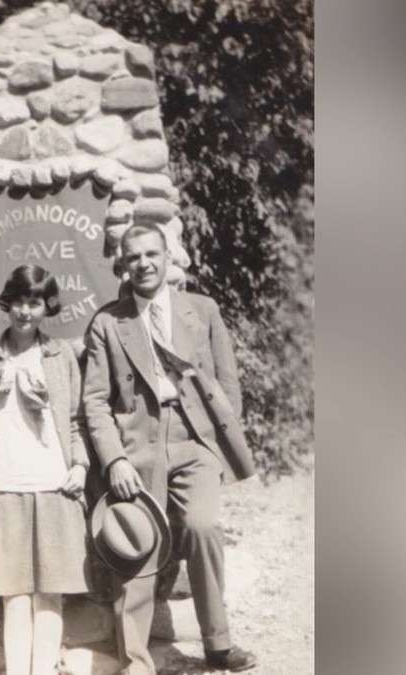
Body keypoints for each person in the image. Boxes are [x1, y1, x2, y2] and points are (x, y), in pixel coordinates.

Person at [82, 222, 258, 673]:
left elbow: (227, 386)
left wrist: (217, 448)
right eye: (134, 256)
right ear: (123, 263)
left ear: (166, 257)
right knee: (137, 543)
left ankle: (218, 643)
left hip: (193, 439)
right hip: (137, 445)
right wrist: (115, 458)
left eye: (151, 254)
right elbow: (95, 402)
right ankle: (136, 660)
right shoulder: (107, 322)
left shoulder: (202, 310)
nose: (143, 263)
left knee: (202, 527)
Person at [0, 265, 91, 675]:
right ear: (7, 304)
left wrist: (81, 465)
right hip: (4, 486)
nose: (25, 312)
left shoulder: (61, 354)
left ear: (46, 306)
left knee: (50, 593)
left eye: (34, 302)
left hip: (54, 486)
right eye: (18, 301)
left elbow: (75, 420)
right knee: (14, 595)